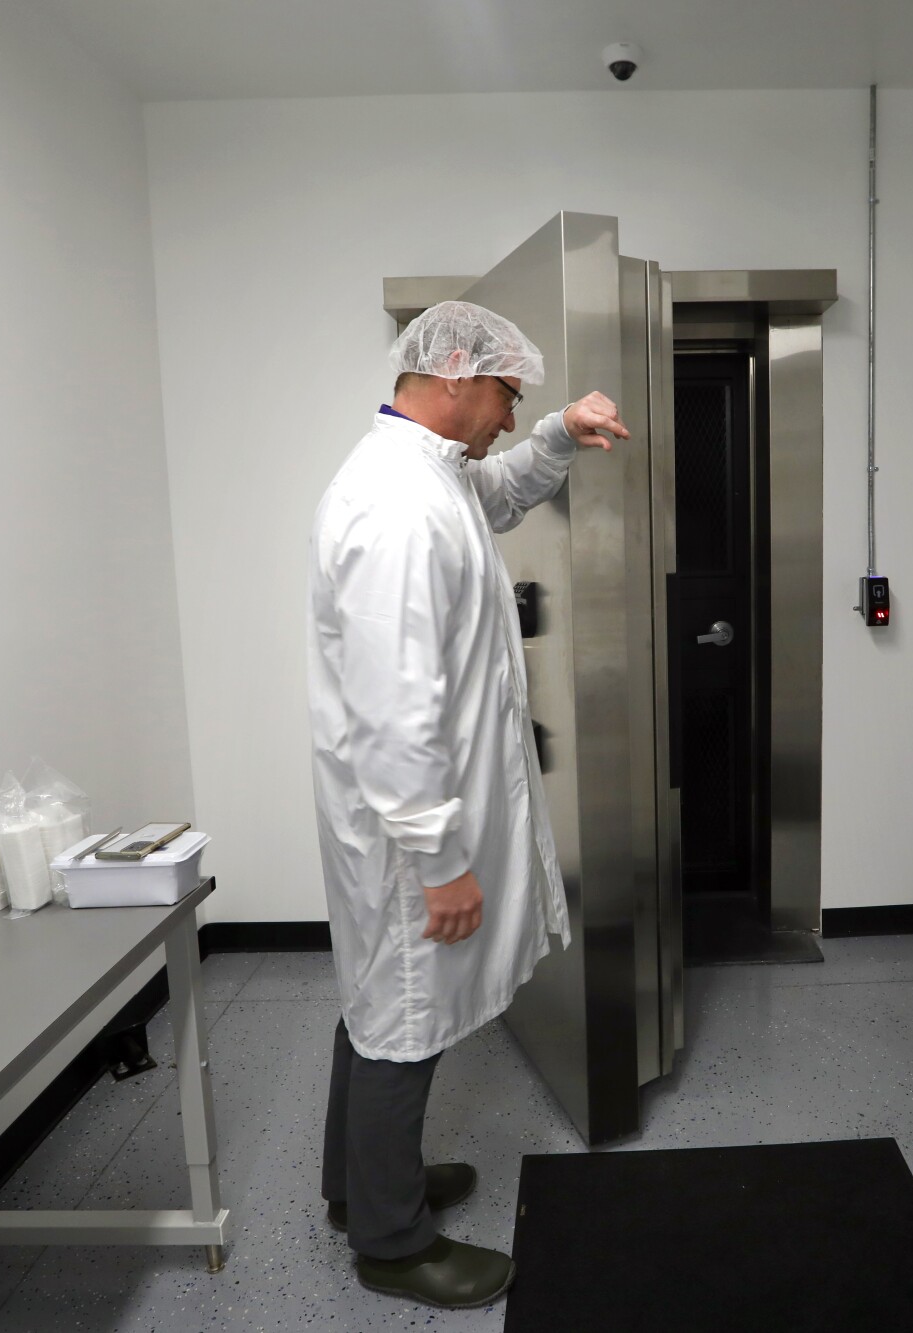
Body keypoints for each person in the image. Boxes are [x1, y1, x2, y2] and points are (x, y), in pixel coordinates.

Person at [307, 300, 629, 1309]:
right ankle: (392, 1243)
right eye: (506, 392)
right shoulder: (397, 507)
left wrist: (554, 438)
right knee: (403, 1010)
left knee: (382, 999)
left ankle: (361, 1188)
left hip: (407, 819)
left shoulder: (425, 478)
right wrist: (437, 856)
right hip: (409, 831)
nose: (507, 410)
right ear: (453, 373)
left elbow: (492, 493)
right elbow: (393, 704)